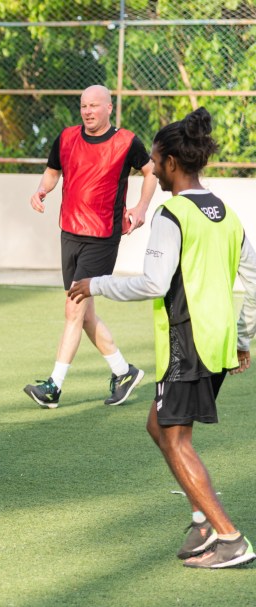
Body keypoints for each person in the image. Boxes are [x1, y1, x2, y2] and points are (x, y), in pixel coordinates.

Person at [68, 107, 256, 569]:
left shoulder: (171, 214)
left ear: (172, 162)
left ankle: (229, 538)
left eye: (154, 161)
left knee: (176, 440)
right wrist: (243, 337)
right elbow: (253, 276)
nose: (152, 169)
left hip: (185, 345)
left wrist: (96, 283)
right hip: (215, 344)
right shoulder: (226, 214)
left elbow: (153, 283)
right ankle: (201, 519)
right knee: (160, 427)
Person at [24, 84, 158, 409]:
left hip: (102, 236)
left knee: (73, 308)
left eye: (94, 106)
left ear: (109, 108)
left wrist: (140, 209)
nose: (87, 111)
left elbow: (151, 171)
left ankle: (54, 386)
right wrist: (42, 190)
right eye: (84, 105)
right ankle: (123, 371)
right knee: (83, 315)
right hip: (68, 232)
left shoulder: (126, 142)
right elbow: (52, 172)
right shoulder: (66, 137)